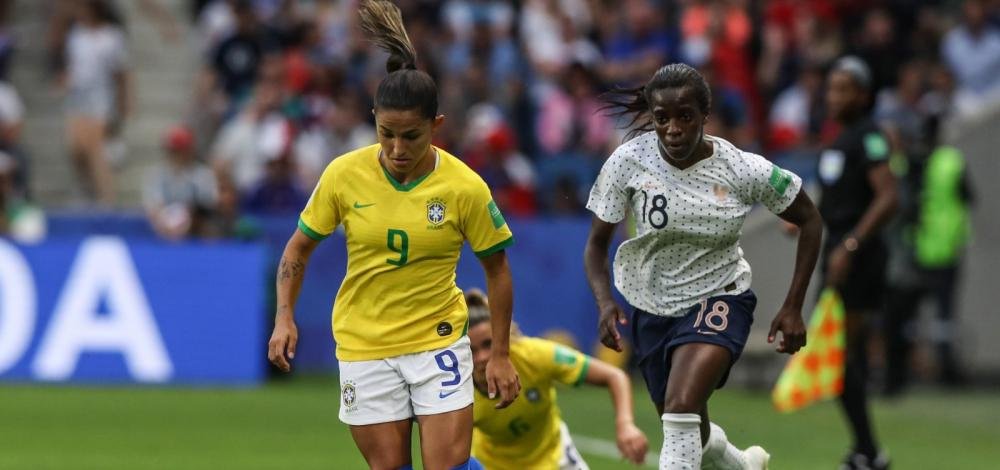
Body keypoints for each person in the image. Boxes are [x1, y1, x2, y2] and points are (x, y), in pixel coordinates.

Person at [266, 2, 520, 469]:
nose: (397, 149)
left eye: (411, 136)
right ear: (374, 119)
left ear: (436, 126)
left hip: (437, 339)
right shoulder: (344, 174)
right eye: (386, 134)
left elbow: (498, 270)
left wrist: (500, 354)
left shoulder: (464, 187)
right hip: (364, 344)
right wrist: (285, 316)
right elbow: (298, 247)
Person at [584, 63, 823, 470]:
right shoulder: (628, 161)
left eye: (685, 117)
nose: (673, 128)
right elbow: (595, 246)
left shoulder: (743, 168)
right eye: (662, 118)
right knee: (689, 429)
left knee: (680, 409)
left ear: (705, 116)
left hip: (719, 298)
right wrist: (606, 302)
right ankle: (742, 465)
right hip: (651, 307)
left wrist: (793, 305)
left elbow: (810, 220)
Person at [463, 288, 649, 469]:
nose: (481, 357)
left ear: (504, 338)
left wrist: (625, 424)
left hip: (555, 457)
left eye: (489, 344)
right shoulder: (460, 390)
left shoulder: (535, 356)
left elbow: (614, 376)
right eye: (471, 350)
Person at [817, 56, 898, 470]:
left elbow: (888, 197)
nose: (834, 96)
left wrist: (849, 245)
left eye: (843, 88)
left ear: (864, 96)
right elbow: (838, 199)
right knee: (839, 356)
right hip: (837, 252)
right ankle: (866, 450)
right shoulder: (838, 139)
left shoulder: (870, 138)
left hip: (857, 259)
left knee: (838, 354)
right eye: (831, 87)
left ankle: (869, 452)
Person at [61, 0, 130, 205]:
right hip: (77, 97)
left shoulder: (112, 37)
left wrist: (123, 101)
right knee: (75, 147)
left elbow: (121, 73)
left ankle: (106, 197)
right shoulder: (76, 35)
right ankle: (85, 190)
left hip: (101, 97)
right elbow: (73, 66)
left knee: (95, 148)